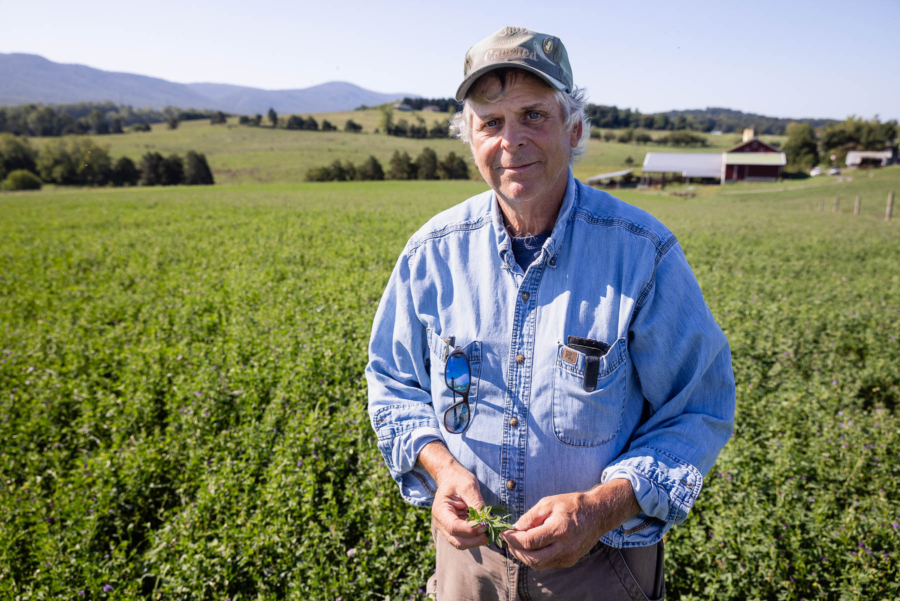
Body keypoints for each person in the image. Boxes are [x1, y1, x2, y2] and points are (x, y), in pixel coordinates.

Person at [366, 26, 736, 600]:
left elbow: (699, 410)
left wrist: (599, 509)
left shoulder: (643, 254)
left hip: (602, 566)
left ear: (575, 128)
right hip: (472, 565)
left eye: (533, 116)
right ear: (469, 137)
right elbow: (392, 383)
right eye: (490, 122)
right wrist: (441, 469)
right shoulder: (431, 253)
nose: (511, 140)